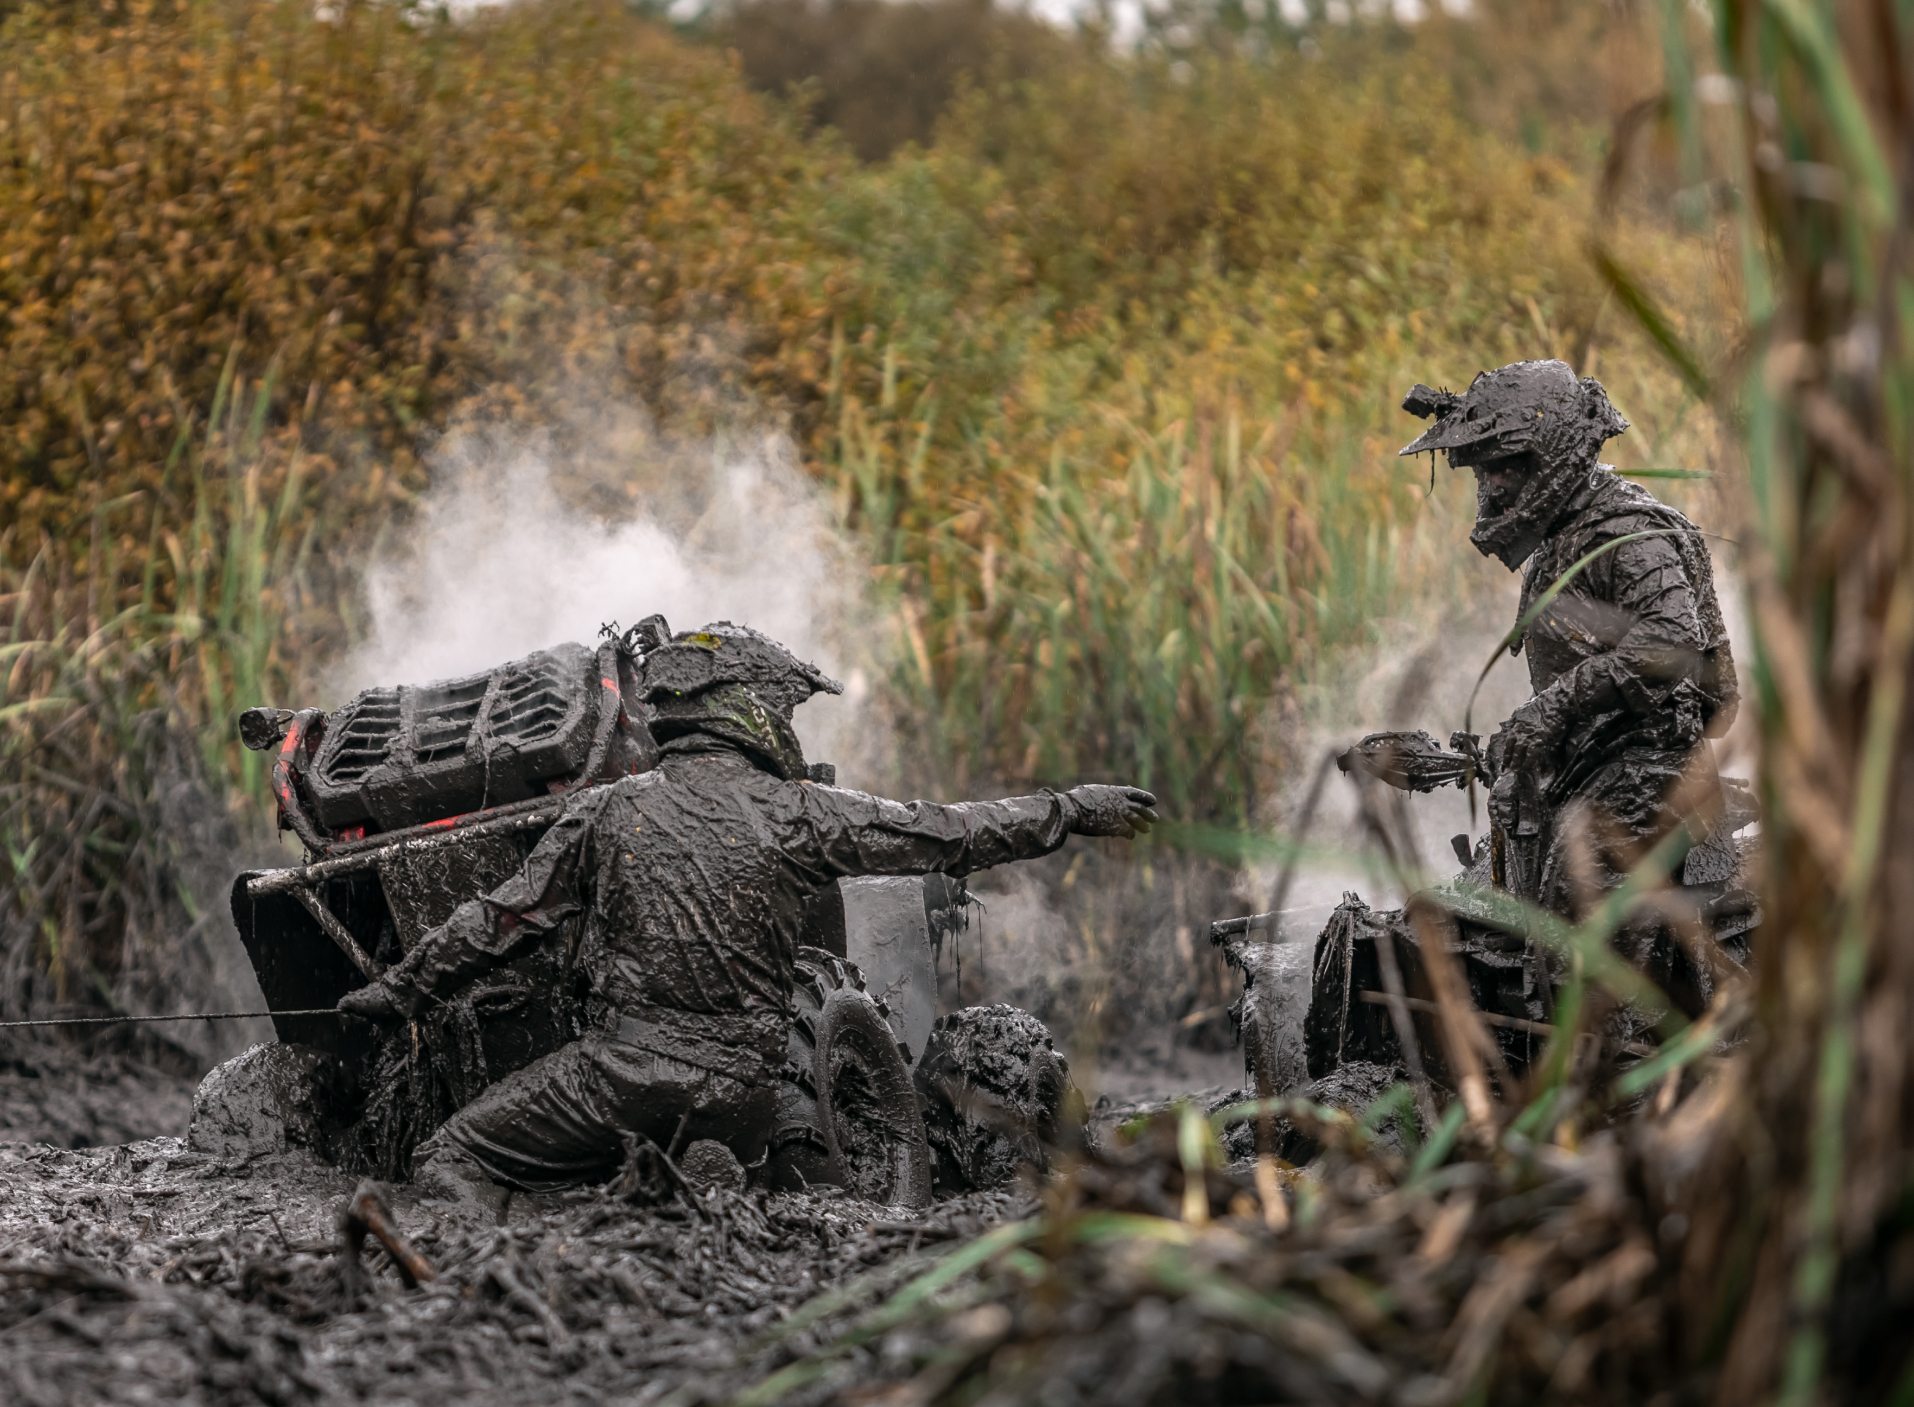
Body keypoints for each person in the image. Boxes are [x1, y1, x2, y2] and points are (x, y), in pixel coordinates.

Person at [337, 620, 1157, 1197]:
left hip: (620, 1077)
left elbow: (497, 923)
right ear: (751, 707)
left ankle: (533, 1261)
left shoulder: (606, 810)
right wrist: (1071, 808)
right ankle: (704, 1177)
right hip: (745, 1094)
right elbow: (950, 830)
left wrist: (393, 993)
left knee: (449, 1157)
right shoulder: (801, 810)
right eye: (787, 707)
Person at [1399, 360, 1739, 1004]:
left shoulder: (1627, 533)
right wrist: (1512, 746)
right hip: (1594, 769)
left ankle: (1612, 1060)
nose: (1493, 485)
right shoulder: (1567, 534)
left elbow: (1672, 642)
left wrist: (1554, 709)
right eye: (1484, 470)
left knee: (1580, 956)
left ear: (1549, 456)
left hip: (1648, 772)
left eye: (1505, 466)